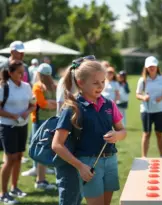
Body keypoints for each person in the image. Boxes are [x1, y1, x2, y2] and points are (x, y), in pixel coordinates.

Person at [52, 60, 127, 205]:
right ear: (80, 83)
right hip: (89, 164)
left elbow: (122, 131)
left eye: (103, 81)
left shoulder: (109, 104)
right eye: (95, 83)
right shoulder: (72, 108)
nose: (101, 86)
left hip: (111, 160)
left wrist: (117, 135)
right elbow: (57, 145)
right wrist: (80, 166)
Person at [0, 60, 35, 204]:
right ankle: (3, 193)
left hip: (22, 126)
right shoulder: (4, 87)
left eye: (23, 72)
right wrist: (12, 116)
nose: (22, 75)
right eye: (19, 72)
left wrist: (27, 112)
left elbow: (33, 105)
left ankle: (14, 187)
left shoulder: (27, 86)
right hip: (7, 127)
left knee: (19, 156)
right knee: (10, 159)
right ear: (10, 73)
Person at [136, 56, 162, 158]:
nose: (151, 68)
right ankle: (144, 157)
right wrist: (143, 97)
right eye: (149, 66)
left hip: (160, 110)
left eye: (153, 66)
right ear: (146, 68)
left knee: (159, 133)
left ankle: (161, 156)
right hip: (146, 110)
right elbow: (137, 94)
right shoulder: (142, 80)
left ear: (157, 66)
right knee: (146, 133)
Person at [29, 63, 57, 190]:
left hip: (43, 121)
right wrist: (51, 103)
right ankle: (41, 179)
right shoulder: (53, 86)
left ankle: (40, 179)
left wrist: (49, 103)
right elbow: (45, 104)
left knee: (42, 149)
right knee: (45, 149)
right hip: (48, 121)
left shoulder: (38, 86)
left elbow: (44, 103)